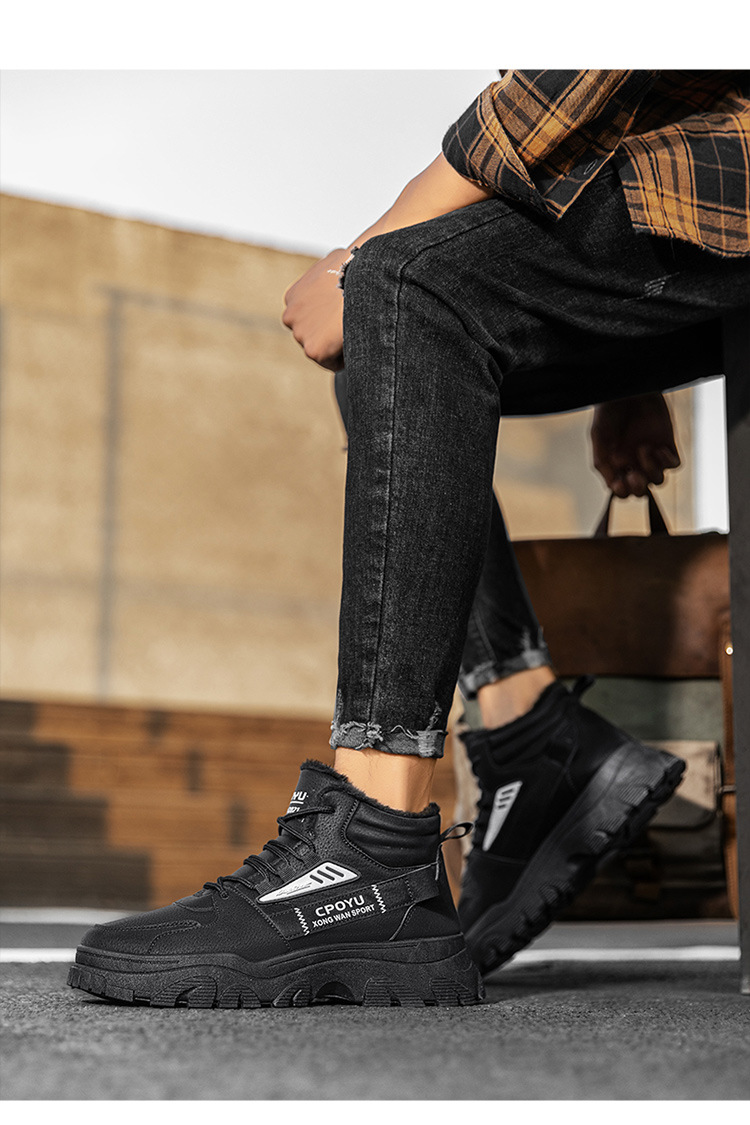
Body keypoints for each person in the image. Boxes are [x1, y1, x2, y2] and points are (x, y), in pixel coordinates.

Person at [69, 70, 750, 1008]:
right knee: (391, 334)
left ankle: (372, 845)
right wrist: (634, 384)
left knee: (403, 288)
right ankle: (524, 727)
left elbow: (592, 69)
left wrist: (361, 254)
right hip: (705, 214)